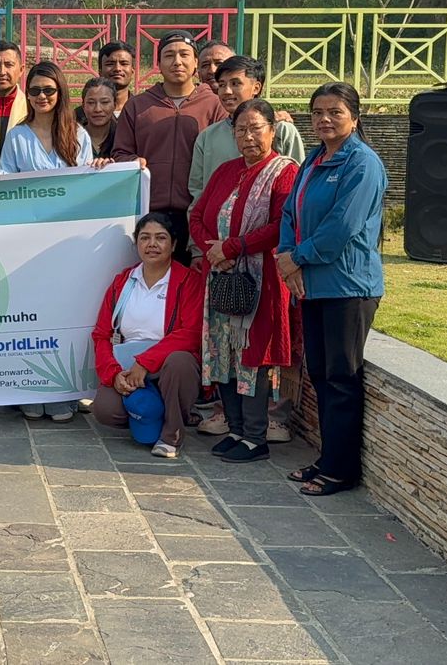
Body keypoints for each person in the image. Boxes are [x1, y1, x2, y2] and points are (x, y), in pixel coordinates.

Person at [278, 82, 387, 497]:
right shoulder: (314, 158)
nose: (325, 119)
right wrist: (286, 256)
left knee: (341, 378)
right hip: (313, 284)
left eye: (335, 112)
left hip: (348, 286)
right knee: (320, 375)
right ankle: (327, 458)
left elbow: (342, 226)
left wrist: (296, 257)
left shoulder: (363, 164)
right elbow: (290, 211)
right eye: (318, 112)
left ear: (354, 117)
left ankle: (341, 470)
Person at [188, 99, 300, 463]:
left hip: (260, 281)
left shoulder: (284, 172)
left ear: (272, 131)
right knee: (223, 351)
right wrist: (213, 251)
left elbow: (281, 225)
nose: (248, 137)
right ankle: (235, 429)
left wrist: (233, 247)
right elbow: (197, 215)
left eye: (255, 128)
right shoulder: (226, 170)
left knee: (253, 354)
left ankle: (255, 436)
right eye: (240, 130)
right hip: (221, 277)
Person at [89, 213, 205, 458]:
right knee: (105, 409)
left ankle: (171, 434)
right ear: (136, 243)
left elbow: (192, 333)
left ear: (174, 244)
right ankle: (153, 414)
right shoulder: (123, 281)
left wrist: (144, 363)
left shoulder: (188, 281)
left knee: (180, 362)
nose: (152, 244)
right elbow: (101, 335)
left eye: (160, 238)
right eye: (145, 238)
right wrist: (114, 374)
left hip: (166, 365)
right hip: (128, 365)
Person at [113, 30, 224, 265]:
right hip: (149, 214)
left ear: (196, 62)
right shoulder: (137, 106)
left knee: (194, 283)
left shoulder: (215, 105)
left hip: (198, 214)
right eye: (169, 55)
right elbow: (120, 153)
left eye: (184, 54)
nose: (177, 62)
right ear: (159, 64)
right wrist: (133, 161)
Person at [189, 56, 307, 204]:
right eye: (222, 85)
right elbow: (198, 191)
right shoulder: (208, 136)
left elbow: (298, 183)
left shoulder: (282, 130)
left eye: (235, 84)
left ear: (256, 88)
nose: (227, 91)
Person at [0, 62, 101, 175]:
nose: (41, 96)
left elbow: (86, 179)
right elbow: (6, 179)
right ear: (28, 94)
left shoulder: (78, 134)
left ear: (60, 93)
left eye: (48, 90)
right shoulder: (16, 137)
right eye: (35, 91)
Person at [79, 78, 118, 159]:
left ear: (114, 105)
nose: (98, 109)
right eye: (91, 103)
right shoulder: (73, 137)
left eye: (105, 102)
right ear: (83, 106)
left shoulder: (124, 137)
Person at [97, 41, 137, 114]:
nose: (117, 68)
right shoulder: (82, 115)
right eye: (110, 64)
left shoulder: (142, 111)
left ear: (132, 70)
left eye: (124, 64)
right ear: (100, 71)